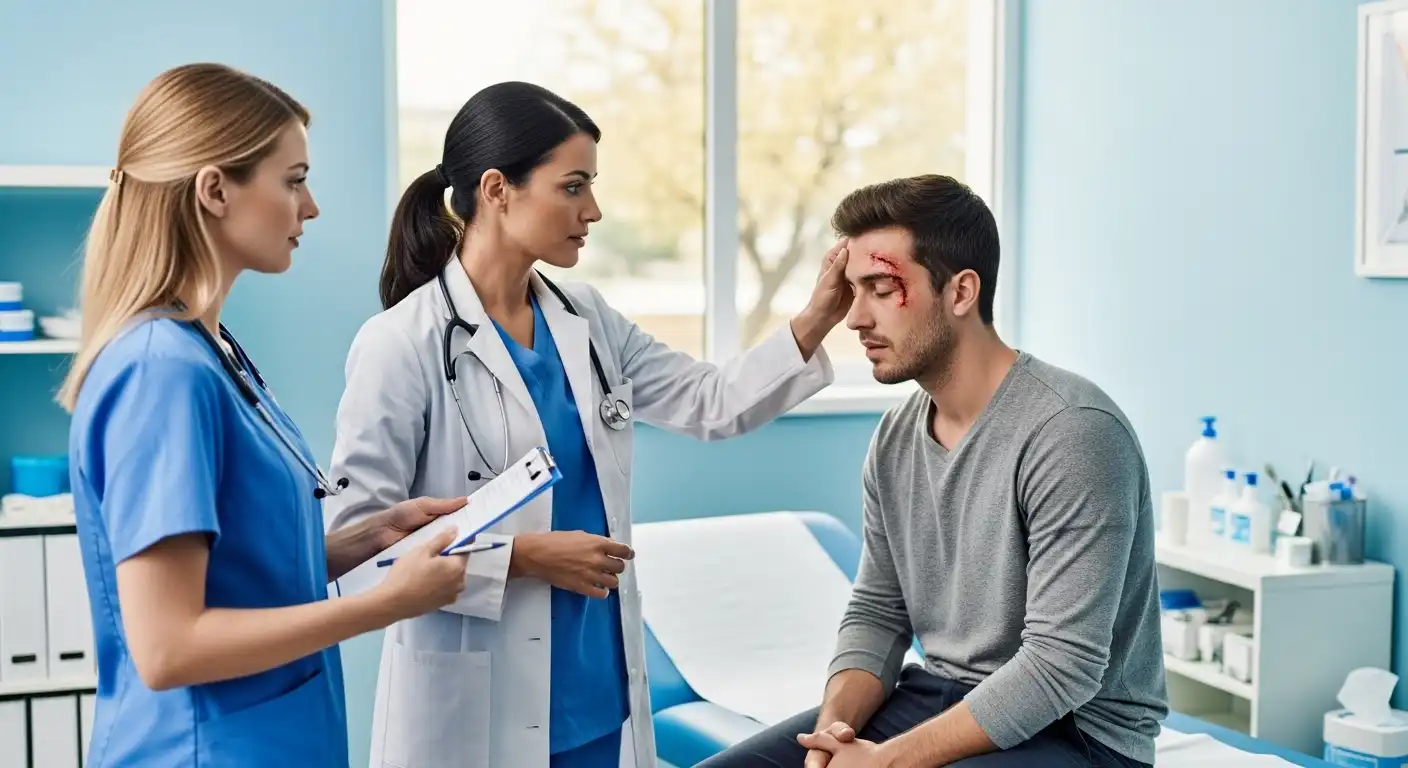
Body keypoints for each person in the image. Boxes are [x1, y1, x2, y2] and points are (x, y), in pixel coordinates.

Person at [322, 80, 851, 768]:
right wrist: (522, 559)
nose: (593, 210)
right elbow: (357, 551)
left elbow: (710, 403)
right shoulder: (402, 342)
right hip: (474, 710)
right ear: (496, 189)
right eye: (573, 186)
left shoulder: (586, 319)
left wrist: (817, 317)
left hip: (601, 693)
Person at [58, 63, 476, 767]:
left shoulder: (210, 352)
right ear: (215, 190)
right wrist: (386, 603)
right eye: (292, 179)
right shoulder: (161, 369)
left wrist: (369, 539)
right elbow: (168, 648)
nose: (309, 206)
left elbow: (236, 567)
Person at [697, 175, 1167, 768]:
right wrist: (832, 740)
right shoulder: (896, 438)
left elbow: (1061, 666)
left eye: (879, 288)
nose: (854, 319)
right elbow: (876, 613)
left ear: (962, 291)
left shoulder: (1073, 430)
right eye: (851, 291)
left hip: (1077, 734)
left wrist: (885, 762)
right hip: (939, 695)